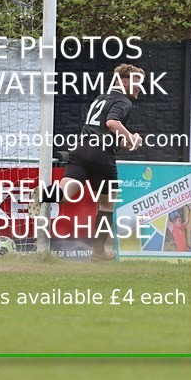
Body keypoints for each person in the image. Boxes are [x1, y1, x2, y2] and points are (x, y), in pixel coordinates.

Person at [29, 64, 143, 261]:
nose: (140, 87)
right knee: (106, 206)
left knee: (64, 195)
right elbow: (112, 124)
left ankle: (45, 192)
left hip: (80, 150)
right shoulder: (123, 101)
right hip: (101, 155)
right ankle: (99, 252)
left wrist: (126, 141)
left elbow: (105, 130)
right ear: (124, 82)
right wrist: (132, 138)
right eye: (137, 82)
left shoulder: (100, 98)